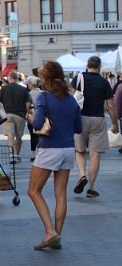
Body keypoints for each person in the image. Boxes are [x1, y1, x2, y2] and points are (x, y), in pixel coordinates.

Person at [28, 61, 82, 250]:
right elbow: (78, 128)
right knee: (60, 194)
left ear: (45, 79)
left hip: (50, 148)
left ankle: (50, 232)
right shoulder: (71, 99)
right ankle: (56, 236)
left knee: (33, 191)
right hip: (68, 149)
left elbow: (37, 124)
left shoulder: (44, 97)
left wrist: (31, 117)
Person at [72, 56, 119, 198]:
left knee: (79, 151)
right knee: (95, 154)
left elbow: (70, 97)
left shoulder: (78, 78)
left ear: (87, 65)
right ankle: (91, 188)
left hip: (81, 118)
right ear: (100, 67)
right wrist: (115, 123)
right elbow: (110, 105)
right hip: (98, 119)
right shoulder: (104, 82)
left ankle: (82, 175)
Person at [0, 71, 31, 163]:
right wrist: (28, 113)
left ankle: (11, 155)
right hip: (20, 115)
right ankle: (17, 155)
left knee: (10, 135)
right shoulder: (23, 89)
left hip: (7, 115)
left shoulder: (3, 89)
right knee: (19, 136)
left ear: (9, 78)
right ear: (17, 78)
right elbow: (27, 104)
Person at [27, 76, 43, 161]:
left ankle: (33, 154)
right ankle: (40, 152)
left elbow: (28, 106)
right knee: (41, 134)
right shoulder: (43, 93)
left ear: (31, 84)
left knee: (32, 135)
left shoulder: (29, 94)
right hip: (42, 116)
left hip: (32, 115)